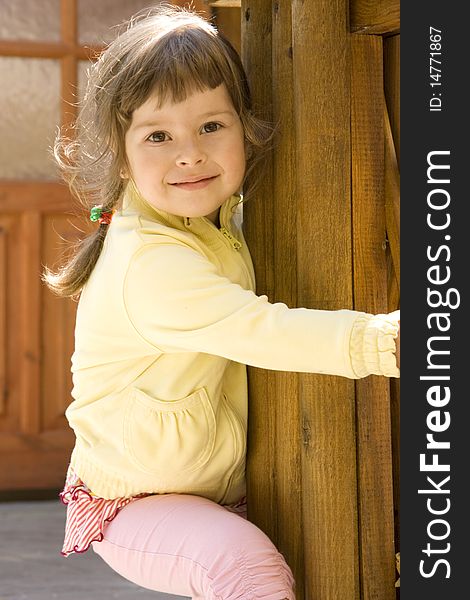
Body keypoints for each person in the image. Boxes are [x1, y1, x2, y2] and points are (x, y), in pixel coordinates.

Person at [43, 4, 400, 599]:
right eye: (159, 135)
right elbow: (259, 329)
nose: (190, 153)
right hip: (132, 502)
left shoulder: (212, 222)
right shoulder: (152, 263)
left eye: (212, 126)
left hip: (203, 487)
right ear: (120, 152)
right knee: (243, 568)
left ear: (244, 126)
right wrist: (383, 341)